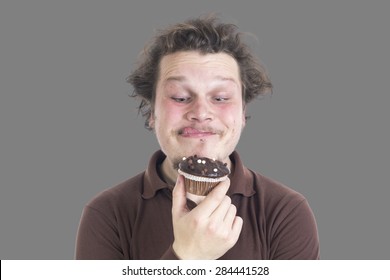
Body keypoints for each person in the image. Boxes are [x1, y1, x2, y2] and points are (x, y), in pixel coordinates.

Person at [75, 15, 320, 260]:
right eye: (180, 97)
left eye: (221, 97)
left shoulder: (285, 211)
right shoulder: (108, 213)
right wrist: (188, 256)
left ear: (243, 113)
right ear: (152, 113)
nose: (201, 113)